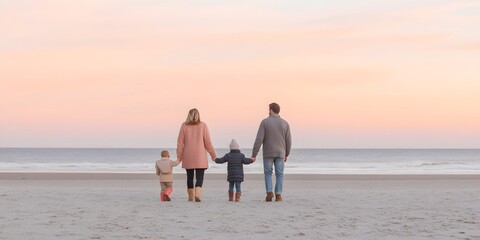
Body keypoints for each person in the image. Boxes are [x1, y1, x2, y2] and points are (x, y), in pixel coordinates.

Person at [251, 103, 291, 202]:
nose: (268, 111)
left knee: (268, 173)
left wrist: (254, 154)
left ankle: (269, 192)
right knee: (279, 174)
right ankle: (278, 195)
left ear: (272, 110)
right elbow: (288, 140)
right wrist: (287, 153)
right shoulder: (285, 123)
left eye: (269, 109)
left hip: (268, 153)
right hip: (280, 152)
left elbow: (259, 139)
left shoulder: (264, 122)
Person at [177, 108, 217, 202]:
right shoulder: (203, 125)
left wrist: (179, 156)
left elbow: (180, 143)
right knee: (200, 176)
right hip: (200, 156)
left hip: (188, 155)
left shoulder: (184, 126)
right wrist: (213, 155)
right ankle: (197, 194)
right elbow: (208, 142)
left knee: (189, 177)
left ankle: (191, 197)